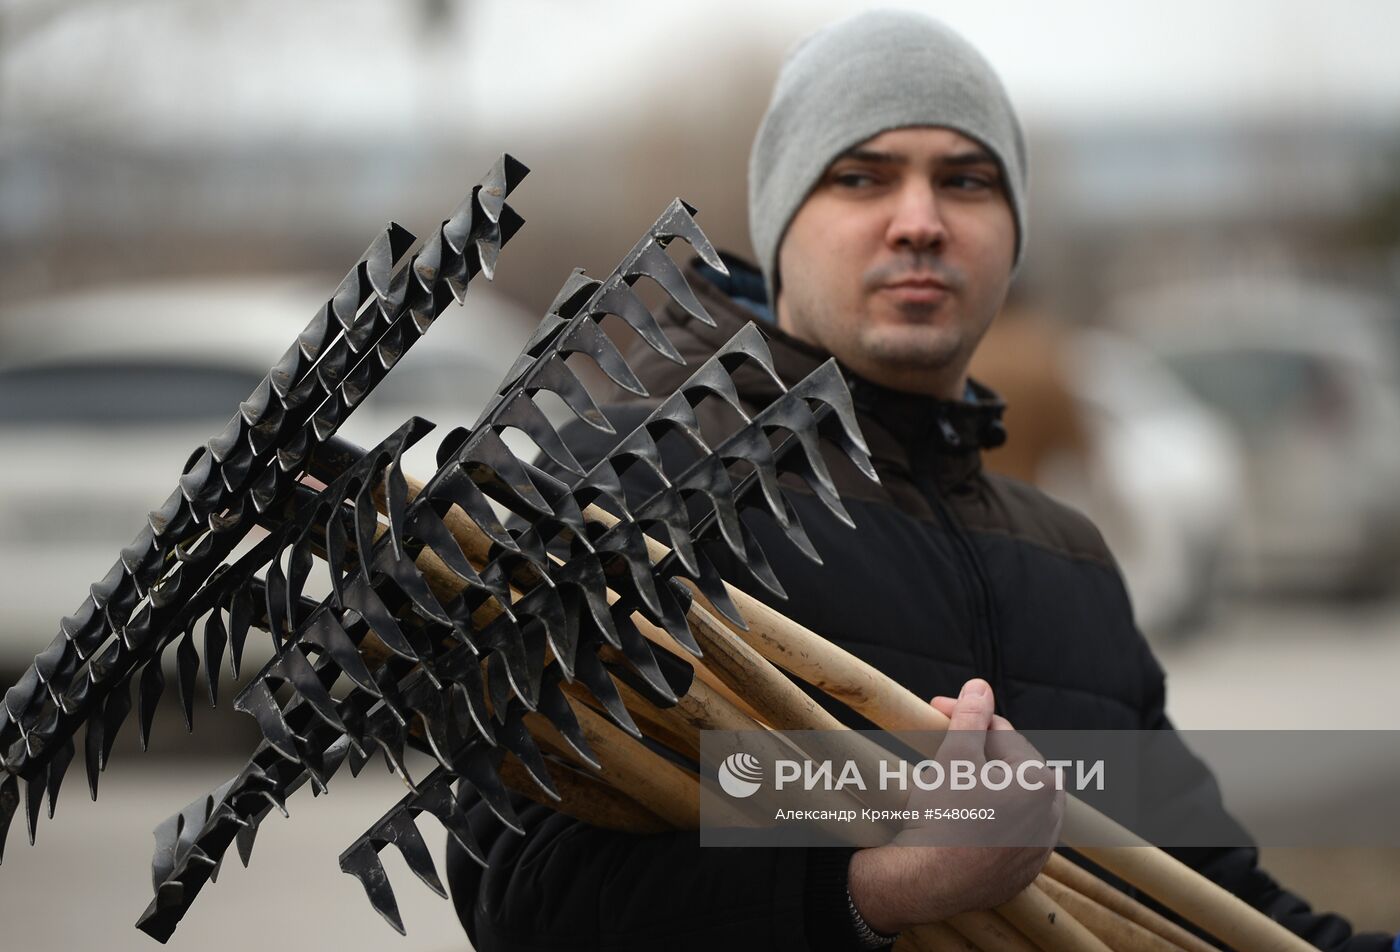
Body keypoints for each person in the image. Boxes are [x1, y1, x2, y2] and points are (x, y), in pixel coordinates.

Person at [447, 11, 1394, 950]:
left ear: (1012, 235)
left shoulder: (1068, 562)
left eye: (967, 180)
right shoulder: (629, 495)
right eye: (861, 176)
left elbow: (1205, 897)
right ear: (781, 228)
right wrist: (879, 891)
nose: (920, 221)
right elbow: (521, 895)